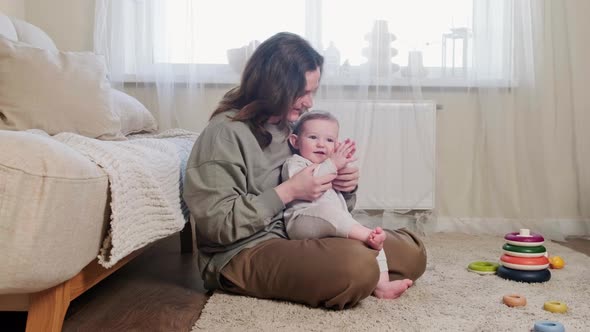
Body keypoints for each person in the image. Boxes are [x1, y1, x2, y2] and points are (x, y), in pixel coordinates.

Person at [183, 32, 426, 310]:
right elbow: (216, 227)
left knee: (412, 253)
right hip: (240, 253)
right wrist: (288, 191)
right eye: (304, 92)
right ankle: (354, 270)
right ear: (275, 87)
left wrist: (344, 188)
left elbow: (317, 209)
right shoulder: (223, 135)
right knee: (358, 266)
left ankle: (345, 267)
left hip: (292, 234)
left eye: (313, 91)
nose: (310, 102)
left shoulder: (289, 129)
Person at [281, 110, 413, 299]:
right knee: (352, 226)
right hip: (301, 221)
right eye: (313, 137)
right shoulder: (296, 163)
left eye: (329, 140)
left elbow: (341, 186)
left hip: (333, 225)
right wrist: (334, 164)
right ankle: (367, 237)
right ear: (295, 141)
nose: (321, 144)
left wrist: (346, 165)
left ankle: (382, 285)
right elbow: (308, 182)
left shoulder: (329, 164)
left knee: (373, 239)